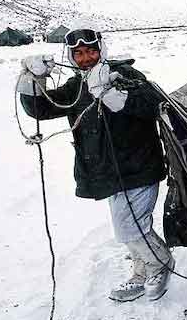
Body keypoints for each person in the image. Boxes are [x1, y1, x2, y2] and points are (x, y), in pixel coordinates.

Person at [17, 28, 174, 302]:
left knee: (129, 227)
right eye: (78, 53)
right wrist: (33, 80)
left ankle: (160, 264)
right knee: (130, 226)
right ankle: (142, 272)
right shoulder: (76, 86)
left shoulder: (125, 76)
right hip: (107, 172)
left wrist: (111, 94)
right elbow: (42, 109)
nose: (86, 58)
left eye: (91, 51)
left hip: (139, 166)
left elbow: (153, 105)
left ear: (102, 50)